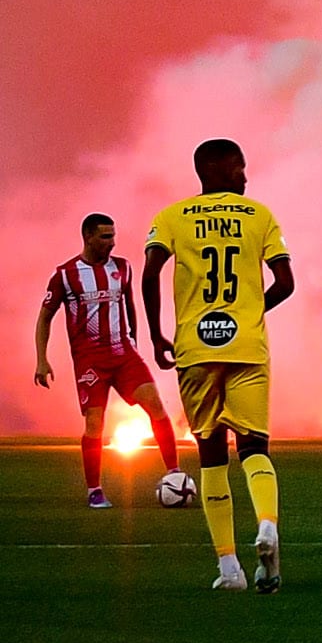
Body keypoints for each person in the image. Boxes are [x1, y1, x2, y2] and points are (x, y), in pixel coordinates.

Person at [141, 139, 294, 593]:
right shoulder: (259, 215)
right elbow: (285, 282)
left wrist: (155, 334)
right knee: (255, 448)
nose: (244, 177)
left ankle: (230, 569)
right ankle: (266, 524)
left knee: (211, 457)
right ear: (217, 169)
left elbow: (149, 274)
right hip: (245, 346)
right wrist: (249, 311)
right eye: (239, 169)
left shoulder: (171, 217)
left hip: (194, 348)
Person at [35, 214, 183, 506]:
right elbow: (44, 318)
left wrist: (137, 343)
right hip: (90, 359)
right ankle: (94, 491)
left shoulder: (123, 268)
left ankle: (174, 474)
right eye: (105, 237)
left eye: (113, 236)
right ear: (88, 237)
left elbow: (130, 306)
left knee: (156, 407)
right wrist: (42, 359)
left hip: (124, 353)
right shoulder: (65, 275)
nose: (112, 243)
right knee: (95, 423)